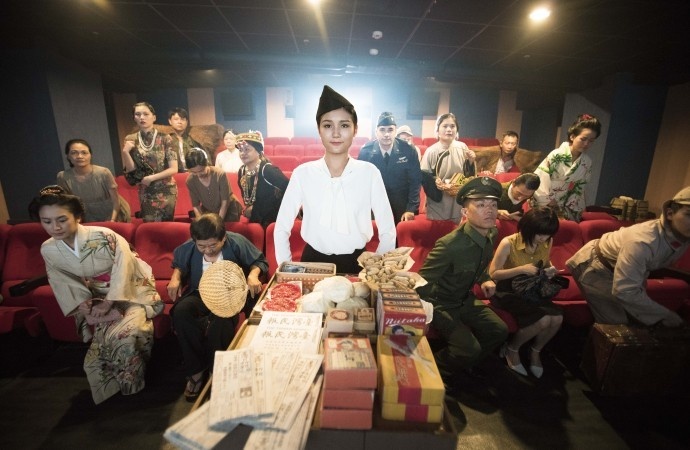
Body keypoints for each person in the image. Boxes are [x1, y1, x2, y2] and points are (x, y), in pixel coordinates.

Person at [29, 186, 163, 404]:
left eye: (62, 220)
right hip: (97, 294)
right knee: (100, 347)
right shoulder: (48, 249)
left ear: (77, 216)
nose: (55, 227)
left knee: (128, 336)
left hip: (131, 290)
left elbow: (127, 268)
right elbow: (61, 279)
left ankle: (132, 387)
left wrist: (110, 301)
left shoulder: (104, 236)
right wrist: (83, 302)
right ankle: (113, 389)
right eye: (47, 221)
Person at [274, 85, 396, 274]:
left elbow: (388, 229)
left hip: (357, 264)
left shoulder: (369, 173)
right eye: (328, 125)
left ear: (355, 129)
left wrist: (377, 266)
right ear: (319, 130)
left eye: (344, 125)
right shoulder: (302, 174)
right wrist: (287, 269)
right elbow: (281, 227)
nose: (336, 133)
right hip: (313, 264)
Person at [416, 176, 508, 387]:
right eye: (481, 205)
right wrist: (422, 315)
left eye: (493, 205)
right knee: (468, 348)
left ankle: (466, 364)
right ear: (465, 211)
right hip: (441, 303)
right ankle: (432, 370)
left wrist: (485, 279)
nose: (489, 210)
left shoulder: (491, 233)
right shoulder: (449, 245)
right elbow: (423, 282)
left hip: (465, 298)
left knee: (499, 330)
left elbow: (480, 263)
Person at [168, 213, 268, 401]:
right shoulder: (191, 246)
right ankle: (196, 370)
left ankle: (217, 371)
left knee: (221, 323)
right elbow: (179, 265)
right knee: (182, 313)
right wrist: (175, 278)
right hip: (200, 292)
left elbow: (259, 262)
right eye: (202, 246)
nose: (208, 250)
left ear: (224, 238)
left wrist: (253, 275)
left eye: (213, 245)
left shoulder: (236, 242)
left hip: (230, 295)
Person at [566, 187, 690, 327]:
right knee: (615, 325)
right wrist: (665, 315)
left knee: (637, 319)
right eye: (689, 214)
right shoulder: (643, 242)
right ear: (670, 213)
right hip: (596, 266)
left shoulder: (682, 236)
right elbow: (625, 291)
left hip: (625, 269)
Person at [489, 207, 563, 378]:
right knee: (543, 319)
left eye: (548, 235)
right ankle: (512, 349)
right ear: (528, 228)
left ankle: (535, 351)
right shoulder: (509, 243)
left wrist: (550, 270)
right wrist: (521, 269)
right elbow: (493, 274)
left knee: (557, 318)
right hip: (508, 289)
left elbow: (545, 263)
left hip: (532, 288)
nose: (543, 238)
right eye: (540, 234)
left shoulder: (547, 241)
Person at [533, 114, 602, 222]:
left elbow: (579, 187)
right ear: (572, 136)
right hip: (545, 201)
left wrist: (568, 207)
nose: (586, 144)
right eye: (583, 139)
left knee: (570, 226)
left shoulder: (587, 162)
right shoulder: (556, 155)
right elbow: (540, 179)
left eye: (591, 141)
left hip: (567, 204)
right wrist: (550, 203)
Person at [358, 112, 421, 223]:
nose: (386, 134)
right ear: (376, 132)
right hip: (375, 205)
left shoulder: (408, 150)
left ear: (395, 131)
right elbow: (361, 183)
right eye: (382, 130)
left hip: (402, 205)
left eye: (390, 130)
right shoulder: (366, 152)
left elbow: (415, 182)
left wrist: (411, 209)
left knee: (400, 233)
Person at [121, 101, 178, 222]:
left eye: (146, 114)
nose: (142, 117)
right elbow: (132, 170)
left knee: (165, 227)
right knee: (149, 224)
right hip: (145, 190)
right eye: (138, 114)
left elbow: (174, 169)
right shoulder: (130, 139)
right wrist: (125, 152)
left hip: (166, 189)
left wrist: (151, 178)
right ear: (134, 118)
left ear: (154, 117)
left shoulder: (165, 138)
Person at [420, 113, 477, 223]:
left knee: (455, 227)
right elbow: (424, 176)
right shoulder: (431, 151)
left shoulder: (462, 147)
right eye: (445, 126)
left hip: (457, 199)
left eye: (452, 126)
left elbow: (469, 176)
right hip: (438, 200)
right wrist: (436, 181)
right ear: (437, 130)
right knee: (439, 228)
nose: (449, 130)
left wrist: (471, 161)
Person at [57, 138, 130, 222]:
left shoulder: (104, 172)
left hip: (112, 214)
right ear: (68, 156)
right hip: (84, 217)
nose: (80, 156)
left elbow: (116, 202)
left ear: (90, 155)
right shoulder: (62, 176)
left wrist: (112, 221)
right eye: (74, 153)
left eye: (84, 153)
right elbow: (67, 204)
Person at [236, 130, 290, 228]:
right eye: (240, 150)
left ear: (258, 151)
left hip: (271, 217)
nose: (243, 153)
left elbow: (289, 188)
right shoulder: (242, 170)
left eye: (247, 149)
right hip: (254, 216)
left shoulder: (267, 170)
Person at [185, 148, 241, 222]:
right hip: (209, 212)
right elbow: (196, 205)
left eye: (201, 170)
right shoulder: (190, 181)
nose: (198, 175)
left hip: (228, 209)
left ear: (207, 164)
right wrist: (200, 221)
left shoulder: (219, 174)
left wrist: (219, 222)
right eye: (194, 172)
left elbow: (225, 202)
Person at [168, 107, 202, 173]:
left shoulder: (194, 140)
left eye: (183, 119)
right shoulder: (167, 140)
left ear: (186, 122)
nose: (179, 122)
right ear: (170, 121)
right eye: (176, 119)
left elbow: (205, 160)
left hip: (193, 173)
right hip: (173, 174)